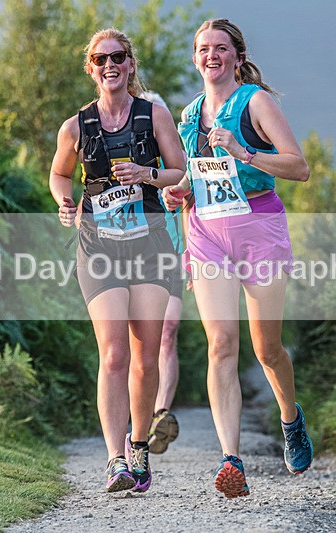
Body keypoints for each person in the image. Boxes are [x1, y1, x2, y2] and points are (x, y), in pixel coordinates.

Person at [163, 18, 313, 499]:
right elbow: (197, 179)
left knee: (266, 349)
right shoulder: (188, 118)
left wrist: (247, 152)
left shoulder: (255, 102)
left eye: (221, 48)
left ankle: (290, 418)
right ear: (195, 58)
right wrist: (179, 192)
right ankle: (232, 459)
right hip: (206, 234)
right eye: (203, 48)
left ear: (237, 57)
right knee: (221, 344)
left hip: (258, 230)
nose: (212, 55)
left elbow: (298, 167)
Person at [50, 28, 186, 493]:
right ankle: (115, 461)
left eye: (119, 57)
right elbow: (58, 173)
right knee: (114, 354)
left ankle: (139, 445)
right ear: (90, 67)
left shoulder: (155, 115)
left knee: (147, 357)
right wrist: (65, 202)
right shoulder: (77, 126)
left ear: (130, 65)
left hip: (148, 243)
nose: (110, 65)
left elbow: (180, 171)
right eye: (100, 58)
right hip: (99, 245)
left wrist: (148, 174)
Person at [140, 90, 183, 455]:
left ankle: (160, 415)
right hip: (129, 255)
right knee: (135, 340)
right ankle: (135, 422)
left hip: (172, 254)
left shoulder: (176, 158)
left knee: (168, 332)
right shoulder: (121, 153)